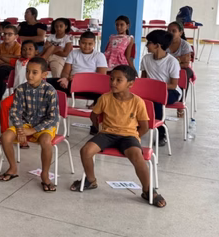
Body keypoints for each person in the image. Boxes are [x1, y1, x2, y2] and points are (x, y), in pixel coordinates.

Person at [71, 65, 166, 207]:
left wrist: (135, 137)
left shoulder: (137, 101)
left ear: (130, 84)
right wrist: (99, 130)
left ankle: (147, 190)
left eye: (118, 80)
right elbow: (94, 115)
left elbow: (144, 126)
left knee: (137, 157)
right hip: (107, 134)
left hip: (128, 136)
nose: (113, 83)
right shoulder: (105, 98)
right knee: (86, 151)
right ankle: (91, 180)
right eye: (111, 79)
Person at [0, 57, 59, 189]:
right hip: (25, 124)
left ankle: (45, 175)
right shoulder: (21, 89)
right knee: (6, 136)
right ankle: (13, 168)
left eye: (34, 72)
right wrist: (20, 129)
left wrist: (32, 130)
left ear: (44, 74)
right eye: (27, 71)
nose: (29, 75)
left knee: (46, 141)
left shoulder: (50, 91)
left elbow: (52, 118)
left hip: (44, 125)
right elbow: (14, 112)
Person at [48, 30, 107, 134]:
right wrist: (65, 78)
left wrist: (80, 78)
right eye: (84, 43)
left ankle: (96, 123)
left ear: (94, 44)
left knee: (104, 93)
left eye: (90, 44)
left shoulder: (99, 56)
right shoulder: (74, 53)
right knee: (48, 83)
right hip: (72, 84)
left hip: (91, 87)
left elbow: (101, 77)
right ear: (79, 43)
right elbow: (65, 72)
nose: (86, 46)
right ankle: (48, 116)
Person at [141, 30, 181, 147]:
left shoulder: (172, 62)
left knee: (156, 100)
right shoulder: (146, 59)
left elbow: (173, 84)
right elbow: (143, 79)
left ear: (157, 45)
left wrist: (155, 87)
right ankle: (136, 127)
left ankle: (161, 133)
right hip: (151, 91)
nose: (147, 45)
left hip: (171, 92)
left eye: (149, 42)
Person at [167, 21, 195, 99]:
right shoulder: (164, 43)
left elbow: (186, 64)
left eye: (174, 31)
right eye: (168, 31)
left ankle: (181, 102)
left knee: (184, 73)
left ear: (180, 33)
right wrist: (179, 59)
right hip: (166, 68)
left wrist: (171, 64)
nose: (170, 33)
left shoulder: (185, 45)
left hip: (181, 68)